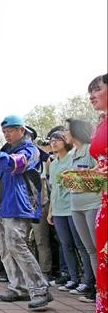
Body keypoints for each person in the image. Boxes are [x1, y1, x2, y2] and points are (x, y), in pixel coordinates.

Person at [0, 114, 53, 311]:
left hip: (18, 204)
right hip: (1, 205)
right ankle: (18, 287)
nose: (6, 135)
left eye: (10, 131)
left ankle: (40, 289)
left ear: (22, 130)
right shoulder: (6, 151)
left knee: (17, 245)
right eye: (4, 132)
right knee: (4, 248)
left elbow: (14, 165)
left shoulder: (30, 150)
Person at [65, 118, 100, 297]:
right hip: (75, 206)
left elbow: (101, 178)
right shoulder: (72, 154)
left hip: (93, 204)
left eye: (67, 130)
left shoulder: (91, 150)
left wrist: (77, 179)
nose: (65, 134)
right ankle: (98, 290)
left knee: (98, 248)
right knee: (89, 250)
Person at [88, 73, 107, 313]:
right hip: (104, 199)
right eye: (89, 91)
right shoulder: (101, 123)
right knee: (104, 257)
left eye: (96, 89)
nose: (91, 95)